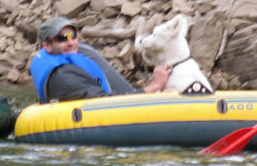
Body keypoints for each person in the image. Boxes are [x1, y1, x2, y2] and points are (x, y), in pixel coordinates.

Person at [30, 16, 171, 103]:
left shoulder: (74, 58)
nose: (71, 43)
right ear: (47, 46)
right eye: (62, 39)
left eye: (73, 36)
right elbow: (106, 103)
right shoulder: (62, 77)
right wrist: (154, 86)